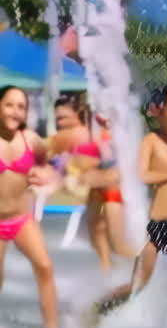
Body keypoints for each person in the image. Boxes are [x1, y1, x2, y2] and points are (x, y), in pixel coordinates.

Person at [84, 86, 167, 328]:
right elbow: (143, 174)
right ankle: (98, 310)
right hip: (159, 228)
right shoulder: (152, 141)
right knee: (137, 286)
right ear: (158, 112)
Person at [0, 85, 61, 328]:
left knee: (45, 267)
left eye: (21, 106)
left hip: (22, 219)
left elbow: (45, 163)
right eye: (9, 105)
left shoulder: (31, 140)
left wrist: (46, 175)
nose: (15, 111)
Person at [48, 94, 134, 272]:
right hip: (97, 190)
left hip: (110, 189)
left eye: (63, 118)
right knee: (97, 236)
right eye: (57, 119)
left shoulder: (76, 133)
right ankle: (108, 274)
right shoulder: (91, 132)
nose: (60, 122)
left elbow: (45, 151)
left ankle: (146, 268)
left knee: (115, 242)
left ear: (78, 113)